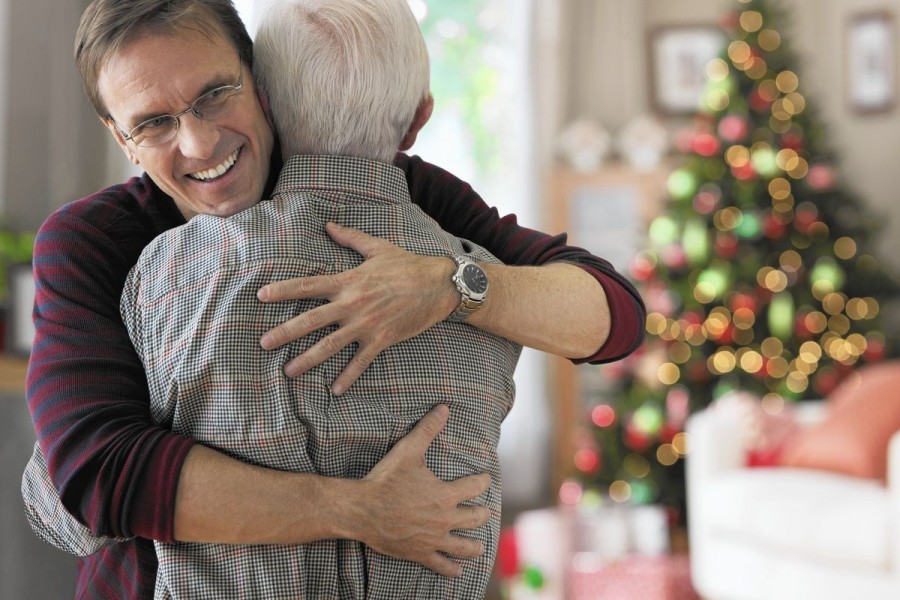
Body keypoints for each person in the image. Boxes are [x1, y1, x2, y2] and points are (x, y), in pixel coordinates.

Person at [22, 0, 645, 597]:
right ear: (121, 138)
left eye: (215, 94)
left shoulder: (392, 189)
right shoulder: (91, 242)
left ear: (260, 82)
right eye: (154, 123)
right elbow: (97, 478)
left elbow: (613, 317)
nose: (200, 143)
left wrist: (450, 284)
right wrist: (360, 510)